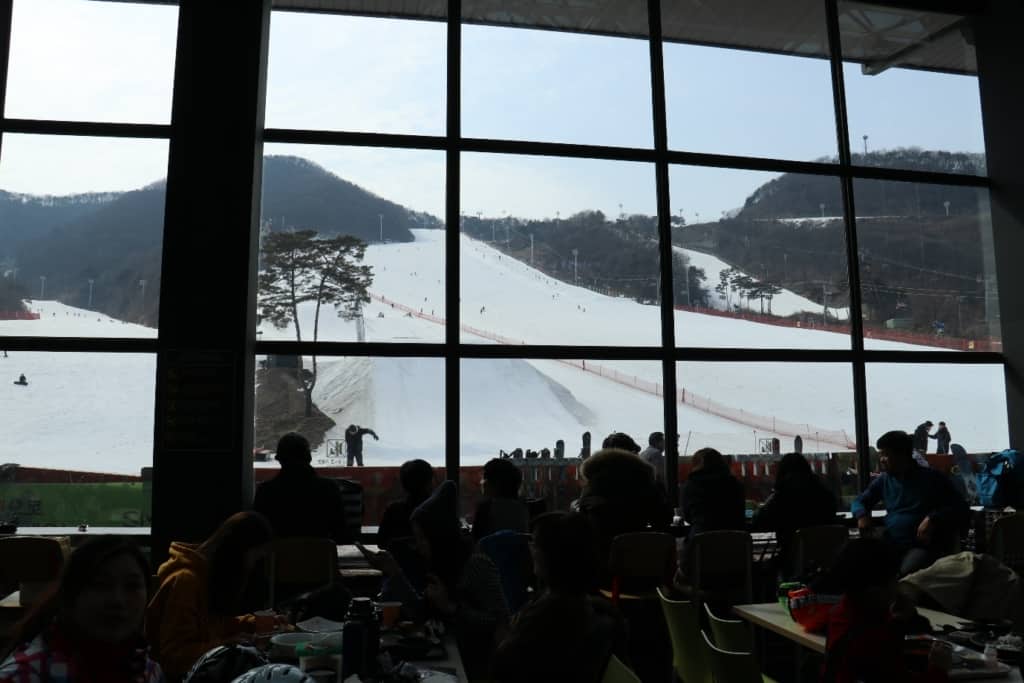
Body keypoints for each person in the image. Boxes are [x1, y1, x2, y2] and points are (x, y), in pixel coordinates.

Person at [360, 482, 509, 681]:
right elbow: (421, 611)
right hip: (447, 653)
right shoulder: (441, 563)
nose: (418, 546)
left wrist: (451, 608)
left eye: (423, 539)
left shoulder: (476, 565)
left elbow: (499, 624)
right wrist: (393, 571)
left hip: (475, 666)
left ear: (440, 537)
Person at [0, 538, 163, 683]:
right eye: (101, 585)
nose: (118, 600)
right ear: (71, 594)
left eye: (132, 586)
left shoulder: (147, 670)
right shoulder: (24, 675)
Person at [145, 511, 284, 680]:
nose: (252, 567)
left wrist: (254, 624)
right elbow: (174, 657)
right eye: (254, 558)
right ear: (237, 552)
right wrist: (227, 646)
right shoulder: (186, 583)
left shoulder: (203, 575)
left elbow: (212, 627)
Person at [492, 512, 628, 683]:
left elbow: (501, 668)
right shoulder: (597, 609)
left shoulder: (545, 617)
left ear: (549, 555)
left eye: (534, 543)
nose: (530, 549)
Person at [821, 538, 952, 683]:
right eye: (895, 578)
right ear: (874, 591)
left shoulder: (841, 612)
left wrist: (901, 621)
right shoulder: (871, 639)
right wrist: (938, 669)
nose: (898, 585)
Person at [852, 431, 969, 576]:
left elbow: (960, 506)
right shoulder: (884, 480)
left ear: (902, 455)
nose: (881, 460)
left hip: (923, 546)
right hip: (892, 543)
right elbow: (859, 501)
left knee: (902, 576)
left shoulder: (932, 478)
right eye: (881, 455)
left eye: (886, 455)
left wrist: (933, 518)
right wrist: (861, 515)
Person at [577, 448, 673, 583]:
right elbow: (664, 519)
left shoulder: (594, 488)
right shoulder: (646, 485)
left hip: (604, 571)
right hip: (647, 568)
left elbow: (581, 524)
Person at [253, 432, 350, 544]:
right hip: (320, 559)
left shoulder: (265, 491)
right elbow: (341, 533)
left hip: (280, 560)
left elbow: (259, 536)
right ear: (309, 457)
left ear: (279, 459)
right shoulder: (329, 488)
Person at [752, 453, 837, 578]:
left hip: (791, 560)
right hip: (825, 560)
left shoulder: (780, 498)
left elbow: (759, 522)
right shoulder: (824, 495)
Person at [679, 447, 746, 540]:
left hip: (701, 541)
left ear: (696, 464)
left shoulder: (690, 485)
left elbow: (688, 517)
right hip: (734, 541)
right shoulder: (734, 484)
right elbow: (741, 512)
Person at [377, 459, 434, 550]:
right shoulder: (438, 511)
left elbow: (381, 542)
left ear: (403, 484)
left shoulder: (393, 510)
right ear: (429, 483)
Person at [471, 459, 529, 541]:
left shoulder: (486, 508)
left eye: (484, 479)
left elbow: (476, 540)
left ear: (492, 483)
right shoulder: (523, 506)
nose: (482, 483)